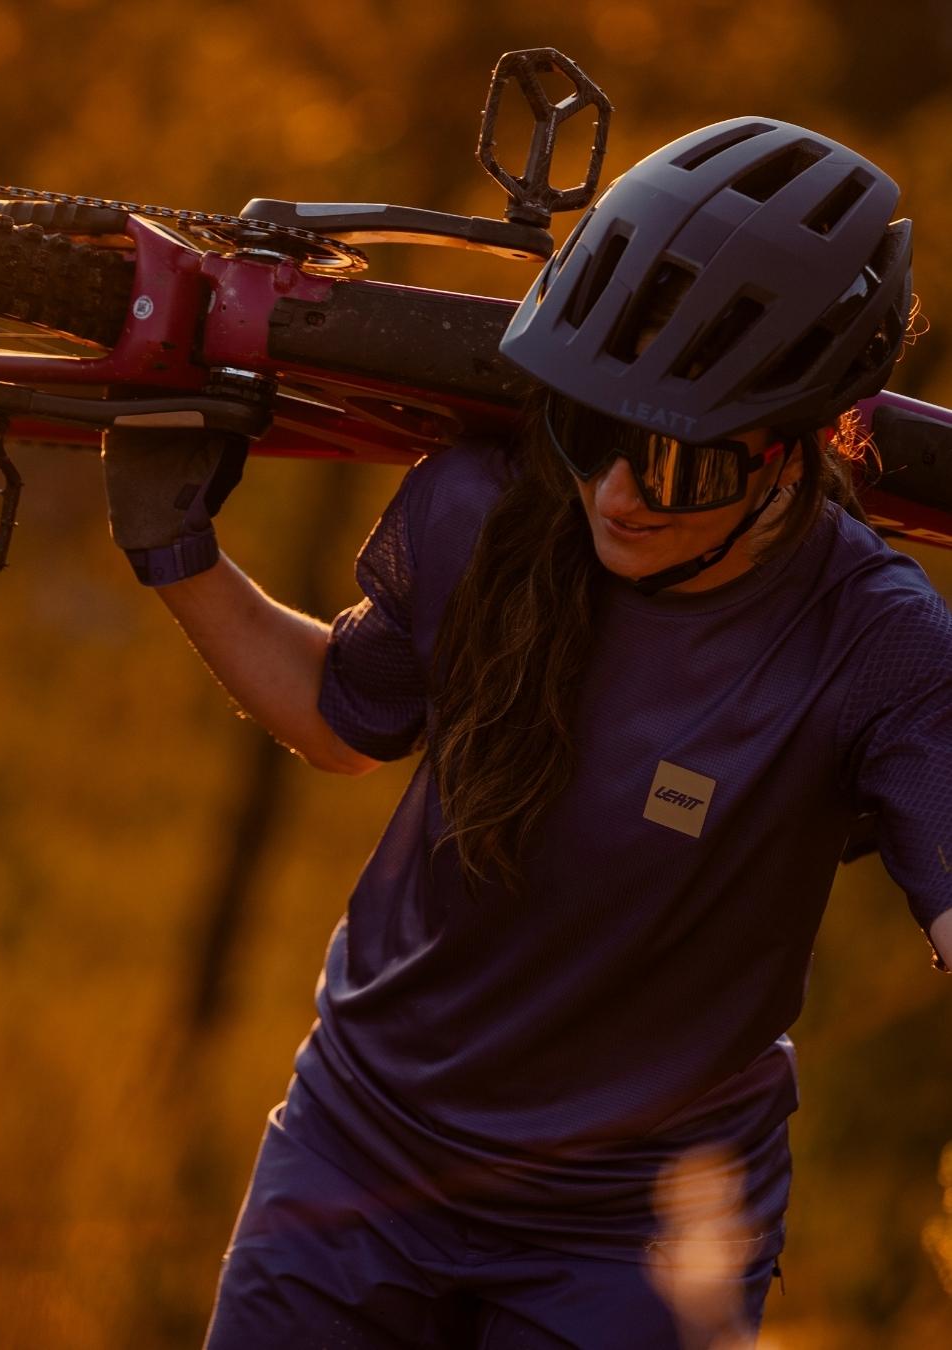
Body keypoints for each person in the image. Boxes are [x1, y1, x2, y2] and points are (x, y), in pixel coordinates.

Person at [101, 117, 952, 1348]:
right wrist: (176, 552)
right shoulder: (480, 505)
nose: (615, 494)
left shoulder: (874, 641)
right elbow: (349, 718)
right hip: (361, 1156)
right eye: (592, 427)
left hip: (640, 1232)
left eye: (675, 463)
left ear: (795, 451)